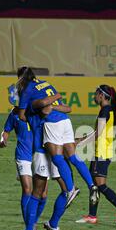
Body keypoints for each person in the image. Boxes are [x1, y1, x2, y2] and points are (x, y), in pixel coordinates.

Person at [16, 67, 98, 209]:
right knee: (72, 157)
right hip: (65, 121)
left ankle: (70, 189)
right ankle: (92, 185)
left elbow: (22, 115)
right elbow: (67, 108)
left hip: (52, 124)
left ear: (21, 78)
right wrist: (56, 99)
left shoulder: (27, 89)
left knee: (57, 158)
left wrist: (32, 114)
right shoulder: (46, 84)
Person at [75, 85, 116, 224]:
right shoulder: (108, 110)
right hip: (104, 152)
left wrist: (79, 143)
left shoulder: (105, 111)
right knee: (96, 185)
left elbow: (97, 133)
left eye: (96, 93)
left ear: (102, 95)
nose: (94, 96)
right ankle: (93, 216)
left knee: (99, 186)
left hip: (101, 153)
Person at [0, 106, 33, 230]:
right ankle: (29, 227)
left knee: (40, 193)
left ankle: (33, 222)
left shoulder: (37, 109)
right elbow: (6, 130)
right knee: (27, 190)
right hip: (23, 155)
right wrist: (3, 140)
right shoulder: (14, 113)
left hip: (38, 155)